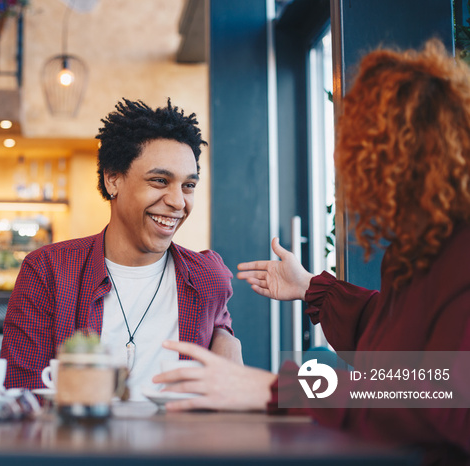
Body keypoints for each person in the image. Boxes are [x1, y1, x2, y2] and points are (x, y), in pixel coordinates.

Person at [153, 40, 470, 465]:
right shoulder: (421, 248)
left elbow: (441, 389)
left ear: (392, 161)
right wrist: (312, 289)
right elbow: (396, 346)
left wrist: (274, 388)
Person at [1, 98, 242, 399]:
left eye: (188, 186)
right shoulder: (48, 270)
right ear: (113, 179)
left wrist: (228, 339)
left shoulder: (207, 276)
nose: (178, 202)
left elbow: (221, 329)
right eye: (159, 180)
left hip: (182, 443)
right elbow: (22, 396)